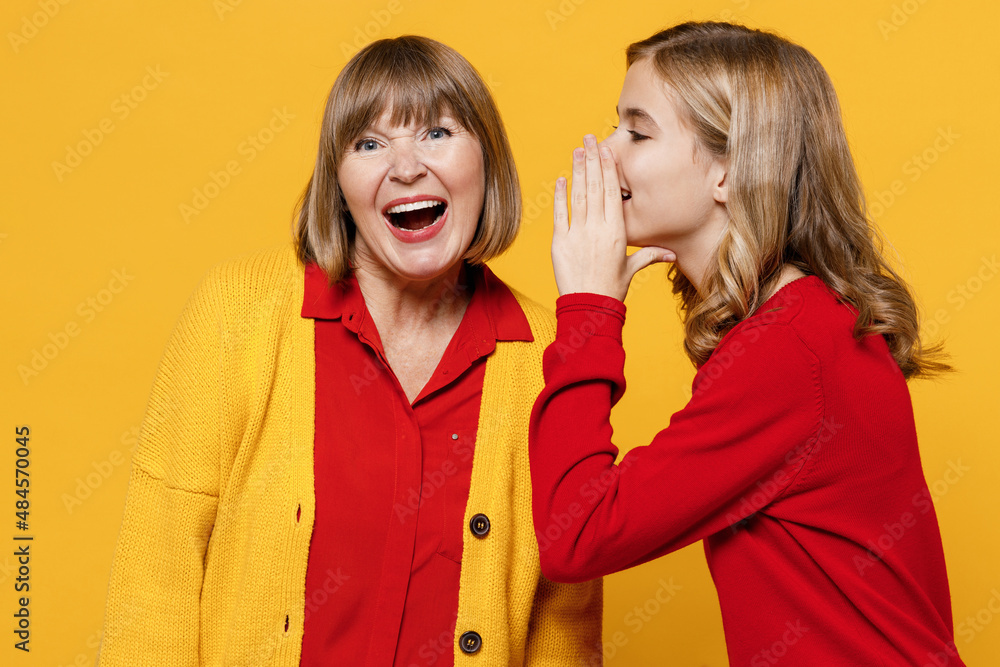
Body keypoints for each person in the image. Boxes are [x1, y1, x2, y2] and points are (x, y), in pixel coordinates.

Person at [97, 36, 600, 666]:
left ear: (487, 161)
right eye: (369, 143)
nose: (407, 166)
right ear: (338, 183)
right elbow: (157, 571)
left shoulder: (548, 355)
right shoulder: (239, 313)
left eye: (437, 132)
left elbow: (563, 620)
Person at [529, 21, 965, 666]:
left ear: (731, 171)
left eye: (638, 131)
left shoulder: (789, 352)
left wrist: (590, 312)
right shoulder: (800, 327)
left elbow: (578, 536)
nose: (605, 151)